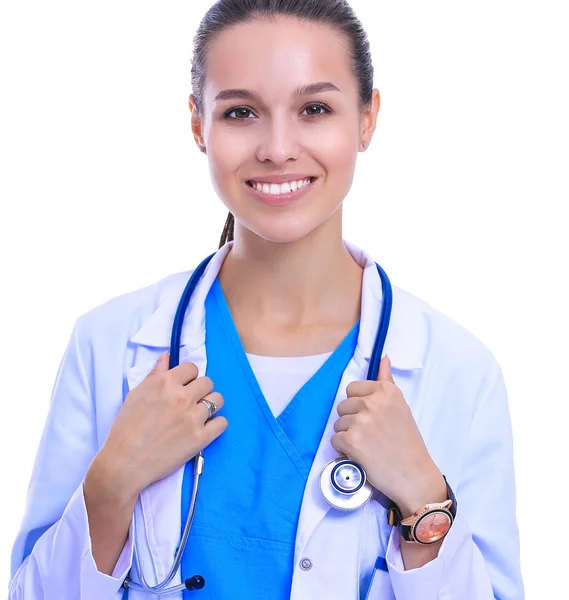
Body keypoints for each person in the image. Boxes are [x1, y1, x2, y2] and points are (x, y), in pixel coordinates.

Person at [8, 0, 525, 598]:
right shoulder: (105, 344)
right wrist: (109, 489)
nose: (278, 148)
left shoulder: (460, 373)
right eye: (242, 112)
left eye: (314, 109)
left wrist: (424, 505)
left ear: (367, 118)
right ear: (199, 124)